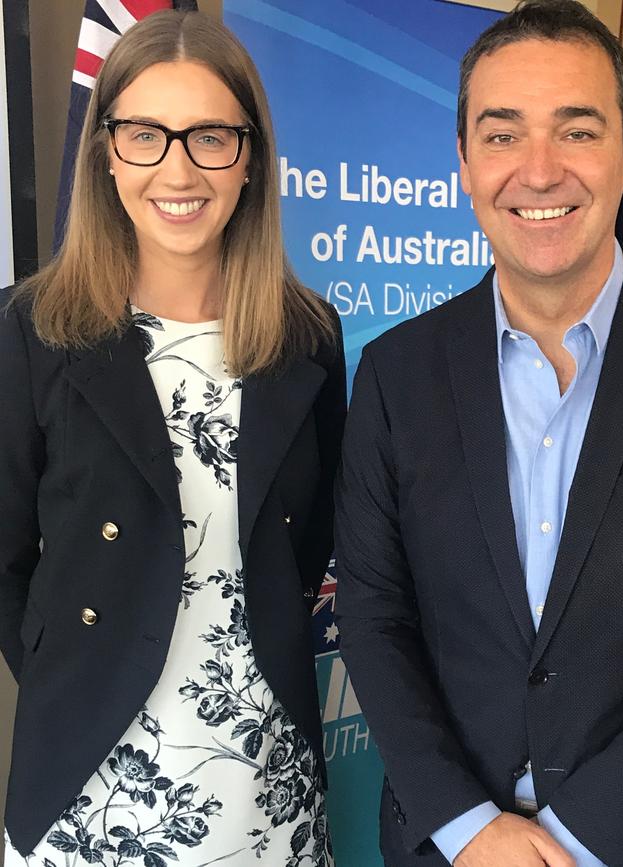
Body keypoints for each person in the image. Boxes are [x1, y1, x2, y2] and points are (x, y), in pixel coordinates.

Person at [0, 11, 345, 865]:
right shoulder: (31, 328)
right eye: (146, 134)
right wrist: (74, 667)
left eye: (211, 138)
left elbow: (313, 548)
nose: (178, 169)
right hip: (93, 789)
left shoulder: (308, 335)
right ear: (106, 149)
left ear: (252, 155)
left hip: (266, 782)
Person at [335, 1, 623, 864]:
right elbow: (373, 614)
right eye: (503, 135)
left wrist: (581, 834)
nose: (538, 172)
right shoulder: (396, 373)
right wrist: (472, 827)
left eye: (577, 131)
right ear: (465, 163)